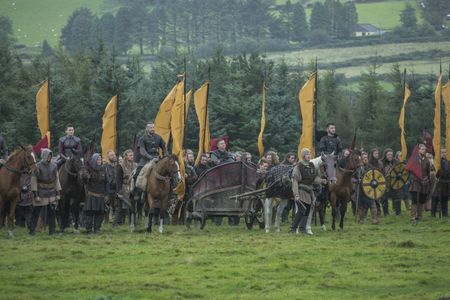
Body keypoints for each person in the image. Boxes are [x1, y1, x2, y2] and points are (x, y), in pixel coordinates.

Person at [290, 148, 325, 235]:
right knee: (302, 210)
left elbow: (314, 178)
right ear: (303, 156)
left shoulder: (312, 165)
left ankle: (302, 229)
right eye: (307, 154)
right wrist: (296, 194)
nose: (309, 156)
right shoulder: (298, 166)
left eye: (309, 154)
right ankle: (293, 229)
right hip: (301, 190)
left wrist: (322, 180)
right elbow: (295, 181)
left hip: (309, 191)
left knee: (307, 210)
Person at [29, 149, 61, 236]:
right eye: (48, 155)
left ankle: (52, 231)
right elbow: (34, 180)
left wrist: (58, 193)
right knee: (36, 212)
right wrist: (35, 194)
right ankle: (32, 230)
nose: (49, 157)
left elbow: (56, 179)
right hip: (40, 192)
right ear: (44, 156)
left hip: (51, 192)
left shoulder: (54, 166)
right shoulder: (37, 166)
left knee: (52, 213)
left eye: (50, 155)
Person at [133, 122, 167, 202]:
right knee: (137, 173)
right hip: (145, 159)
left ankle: (170, 190)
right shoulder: (142, 138)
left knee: (168, 171)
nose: (152, 129)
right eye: (151, 128)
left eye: (153, 127)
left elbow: (164, 148)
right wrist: (149, 157)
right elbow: (142, 150)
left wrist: (165, 156)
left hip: (157, 159)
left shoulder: (158, 137)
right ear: (147, 129)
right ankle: (137, 192)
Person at [84, 153, 109, 234]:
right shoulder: (89, 170)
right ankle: (88, 230)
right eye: (98, 160)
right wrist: (86, 176)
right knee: (90, 213)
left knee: (100, 213)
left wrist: (106, 194)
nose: (100, 161)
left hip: (101, 195)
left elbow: (106, 182)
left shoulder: (103, 169)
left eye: (100, 159)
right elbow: (85, 181)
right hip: (91, 195)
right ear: (94, 160)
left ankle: (97, 229)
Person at [408, 144, 431, 225]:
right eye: (422, 149)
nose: (424, 150)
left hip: (424, 183)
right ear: (418, 150)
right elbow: (409, 170)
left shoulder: (427, 160)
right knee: (414, 200)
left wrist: (427, 180)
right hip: (415, 183)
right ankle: (413, 216)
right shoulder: (414, 159)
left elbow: (428, 173)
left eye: (424, 149)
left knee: (421, 200)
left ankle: (420, 216)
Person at [115, 149, 136, 227]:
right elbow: (118, 180)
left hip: (132, 187)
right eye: (130, 155)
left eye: (133, 155)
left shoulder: (135, 165)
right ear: (126, 156)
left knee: (132, 206)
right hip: (123, 187)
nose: (132, 157)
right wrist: (119, 191)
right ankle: (117, 223)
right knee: (120, 207)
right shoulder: (120, 166)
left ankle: (132, 222)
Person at [357, 152, 379, 224]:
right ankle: (361, 220)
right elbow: (353, 178)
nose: (365, 159)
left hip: (370, 189)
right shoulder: (358, 168)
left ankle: (375, 219)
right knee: (361, 206)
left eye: (366, 158)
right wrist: (357, 180)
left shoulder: (371, 167)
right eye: (363, 158)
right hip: (360, 189)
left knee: (372, 204)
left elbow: (375, 176)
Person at [380, 148, 403, 216]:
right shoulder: (381, 162)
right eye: (388, 154)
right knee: (384, 198)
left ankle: (398, 213)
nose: (390, 156)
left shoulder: (396, 162)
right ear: (385, 155)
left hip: (395, 182)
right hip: (385, 183)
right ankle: (386, 213)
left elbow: (400, 170)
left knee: (397, 197)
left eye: (391, 154)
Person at [432, 148, 450, 217]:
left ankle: (445, 213)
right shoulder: (437, 162)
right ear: (440, 154)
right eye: (442, 152)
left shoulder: (448, 162)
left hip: (446, 183)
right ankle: (433, 214)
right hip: (439, 182)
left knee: (445, 198)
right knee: (435, 198)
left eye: (445, 152)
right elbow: (434, 173)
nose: (444, 153)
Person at [105, 150, 119, 224]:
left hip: (117, 189)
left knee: (116, 205)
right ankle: (107, 218)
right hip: (108, 188)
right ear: (108, 157)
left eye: (114, 154)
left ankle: (115, 220)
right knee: (108, 204)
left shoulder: (118, 167)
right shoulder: (105, 167)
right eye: (111, 155)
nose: (114, 156)